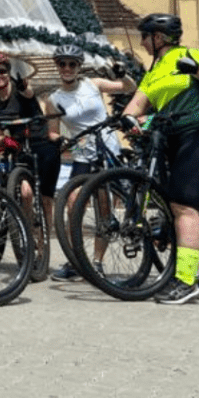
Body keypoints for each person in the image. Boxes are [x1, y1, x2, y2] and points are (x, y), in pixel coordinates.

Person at [120, 13, 199, 304]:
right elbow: (135, 105)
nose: (142, 43)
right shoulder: (153, 73)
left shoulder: (187, 55)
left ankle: (185, 281)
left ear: (158, 37)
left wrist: (196, 68)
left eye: (145, 37)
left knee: (183, 207)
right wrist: (128, 119)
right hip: (185, 145)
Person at [44, 43, 136, 281]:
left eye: (72, 64)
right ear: (57, 66)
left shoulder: (93, 84)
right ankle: (75, 261)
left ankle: (97, 263)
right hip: (82, 152)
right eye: (62, 64)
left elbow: (129, 87)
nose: (67, 68)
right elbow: (52, 132)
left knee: (104, 206)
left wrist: (121, 74)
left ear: (79, 67)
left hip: (107, 148)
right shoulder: (54, 100)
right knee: (73, 204)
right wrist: (63, 140)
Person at [0, 50, 61, 275]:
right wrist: (4, 141)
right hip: (20, 148)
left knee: (46, 200)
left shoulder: (20, 91)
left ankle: (43, 246)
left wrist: (24, 86)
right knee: (26, 193)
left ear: (8, 72)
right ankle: (27, 234)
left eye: (2, 71)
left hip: (42, 145)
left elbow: (29, 93)